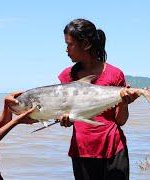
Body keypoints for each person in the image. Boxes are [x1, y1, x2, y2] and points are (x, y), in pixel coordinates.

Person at [58, 19, 139, 180]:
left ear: (86, 44)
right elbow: (69, 115)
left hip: (113, 148)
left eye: (70, 44)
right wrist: (65, 120)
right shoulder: (67, 76)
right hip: (82, 150)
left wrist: (124, 103)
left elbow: (120, 121)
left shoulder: (115, 74)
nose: (66, 49)